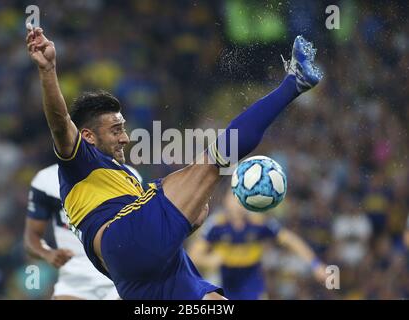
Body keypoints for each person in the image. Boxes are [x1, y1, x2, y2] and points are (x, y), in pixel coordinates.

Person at [26, 24, 322, 299]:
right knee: (216, 159)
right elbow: (60, 122)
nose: (125, 138)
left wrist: (187, 224)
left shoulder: (119, 179)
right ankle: (294, 82)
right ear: (88, 136)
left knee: (212, 300)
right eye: (116, 130)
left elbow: (150, 237)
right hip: (121, 241)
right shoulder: (79, 161)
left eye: (124, 129)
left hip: (137, 276)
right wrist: (48, 70)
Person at [24, 163, 138, 299]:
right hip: (74, 283)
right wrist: (47, 253)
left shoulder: (128, 174)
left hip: (118, 279)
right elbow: (32, 235)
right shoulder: (46, 180)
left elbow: (137, 231)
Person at [188, 189, 327, 300]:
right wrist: (209, 260)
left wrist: (315, 264)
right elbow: (193, 255)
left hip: (252, 283)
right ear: (225, 200)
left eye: (241, 197)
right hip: (225, 284)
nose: (237, 202)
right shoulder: (216, 225)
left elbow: (291, 240)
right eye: (233, 196)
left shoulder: (259, 222)